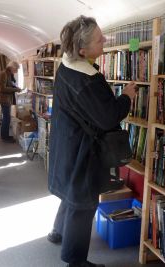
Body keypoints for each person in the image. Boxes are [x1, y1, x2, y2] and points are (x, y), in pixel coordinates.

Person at [47, 16, 137, 267]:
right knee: (83, 205)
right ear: (82, 49)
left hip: (67, 144)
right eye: (100, 39)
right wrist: (127, 97)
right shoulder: (87, 79)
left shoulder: (66, 67)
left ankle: (57, 232)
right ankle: (75, 261)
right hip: (82, 151)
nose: (105, 40)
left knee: (70, 193)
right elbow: (108, 118)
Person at [0, 61, 21, 143]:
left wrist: (16, 87)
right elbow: (2, 88)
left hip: (7, 99)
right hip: (4, 99)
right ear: (12, 67)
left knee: (6, 118)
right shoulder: (4, 74)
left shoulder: (9, 74)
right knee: (6, 118)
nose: (16, 71)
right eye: (16, 69)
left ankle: (5, 135)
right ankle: (4, 137)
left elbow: (9, 84)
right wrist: (15, 89)